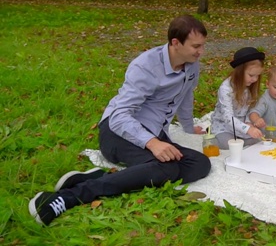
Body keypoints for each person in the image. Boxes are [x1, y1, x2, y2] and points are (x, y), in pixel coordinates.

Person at [29, 15, 211, 226]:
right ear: (175, 43)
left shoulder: (191, 65)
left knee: (199, 164)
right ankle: (68, 197)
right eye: (196, 46)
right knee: (167, 168)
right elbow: (119, 116)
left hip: (154, 131)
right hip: (117, 132)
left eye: (203, 46)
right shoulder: (145, 67)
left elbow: (186, 97)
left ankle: (98, 177)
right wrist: (153, 143)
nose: (201, 52)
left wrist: (189, 128)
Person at [210, 47, 266, 149]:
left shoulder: (250, 87)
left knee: (257, 139)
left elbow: (250, 108)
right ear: (239, 72)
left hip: (242, 124)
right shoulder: (226, 89)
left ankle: (242, 141)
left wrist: (250, 123)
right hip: (224, 126)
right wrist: (247, 129)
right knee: (228, 144)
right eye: (251, 75)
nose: (255, 79)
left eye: (257, 76)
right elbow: (228, 118)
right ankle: (214, 139)